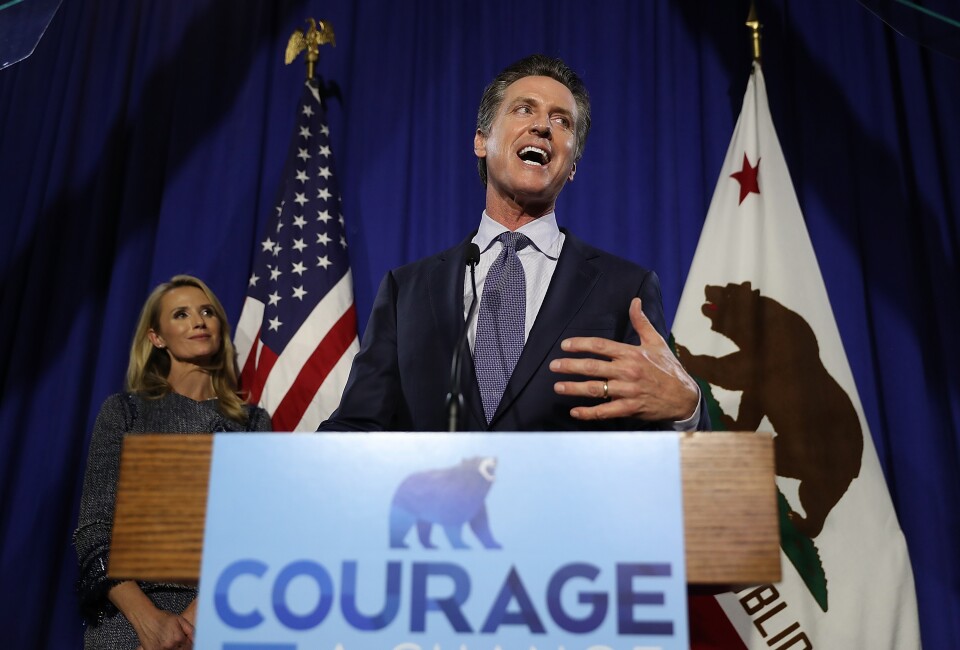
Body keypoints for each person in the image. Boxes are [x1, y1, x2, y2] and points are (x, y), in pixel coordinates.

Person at [319, 54, 706, 433]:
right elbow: (357, 425)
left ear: (572, 166)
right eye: (524, 110)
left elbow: (652, 439)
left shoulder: (625, 290)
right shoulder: (406, 291)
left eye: (561, 120)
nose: (542, 126)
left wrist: (687, 410)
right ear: (481, 141)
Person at [74, 275, 272, 650]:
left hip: (221, 612)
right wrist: (148, 621)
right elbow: (94, 529)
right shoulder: (124, 412)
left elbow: (252, 536)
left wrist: (188, 623)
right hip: (129, 617)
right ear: (156, 338)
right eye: (181, 314)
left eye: (207, 312)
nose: (198, 321)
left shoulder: (253, 423)